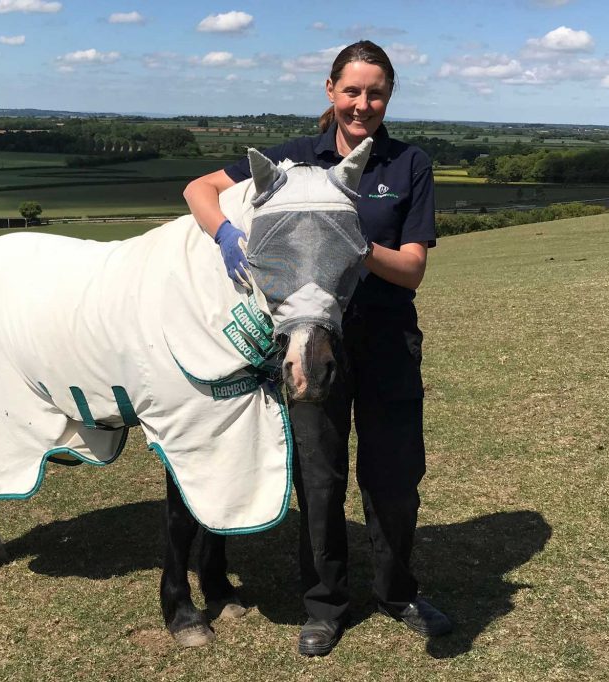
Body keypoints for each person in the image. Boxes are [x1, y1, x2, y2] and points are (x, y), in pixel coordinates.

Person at [183, 40, 452, 656]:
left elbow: (411, 269)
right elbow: (198, 188)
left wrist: (351, 241)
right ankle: (324, 605)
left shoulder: (407, 164)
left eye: (376, 92)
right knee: (319, 477)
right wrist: (226, 233)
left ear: (389, 96)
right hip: (309, 342)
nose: (363, 104)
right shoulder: (289, 160)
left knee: (394, 475)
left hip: (384, 340)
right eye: (352, 91)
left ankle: (397, 591)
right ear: (330, 91)